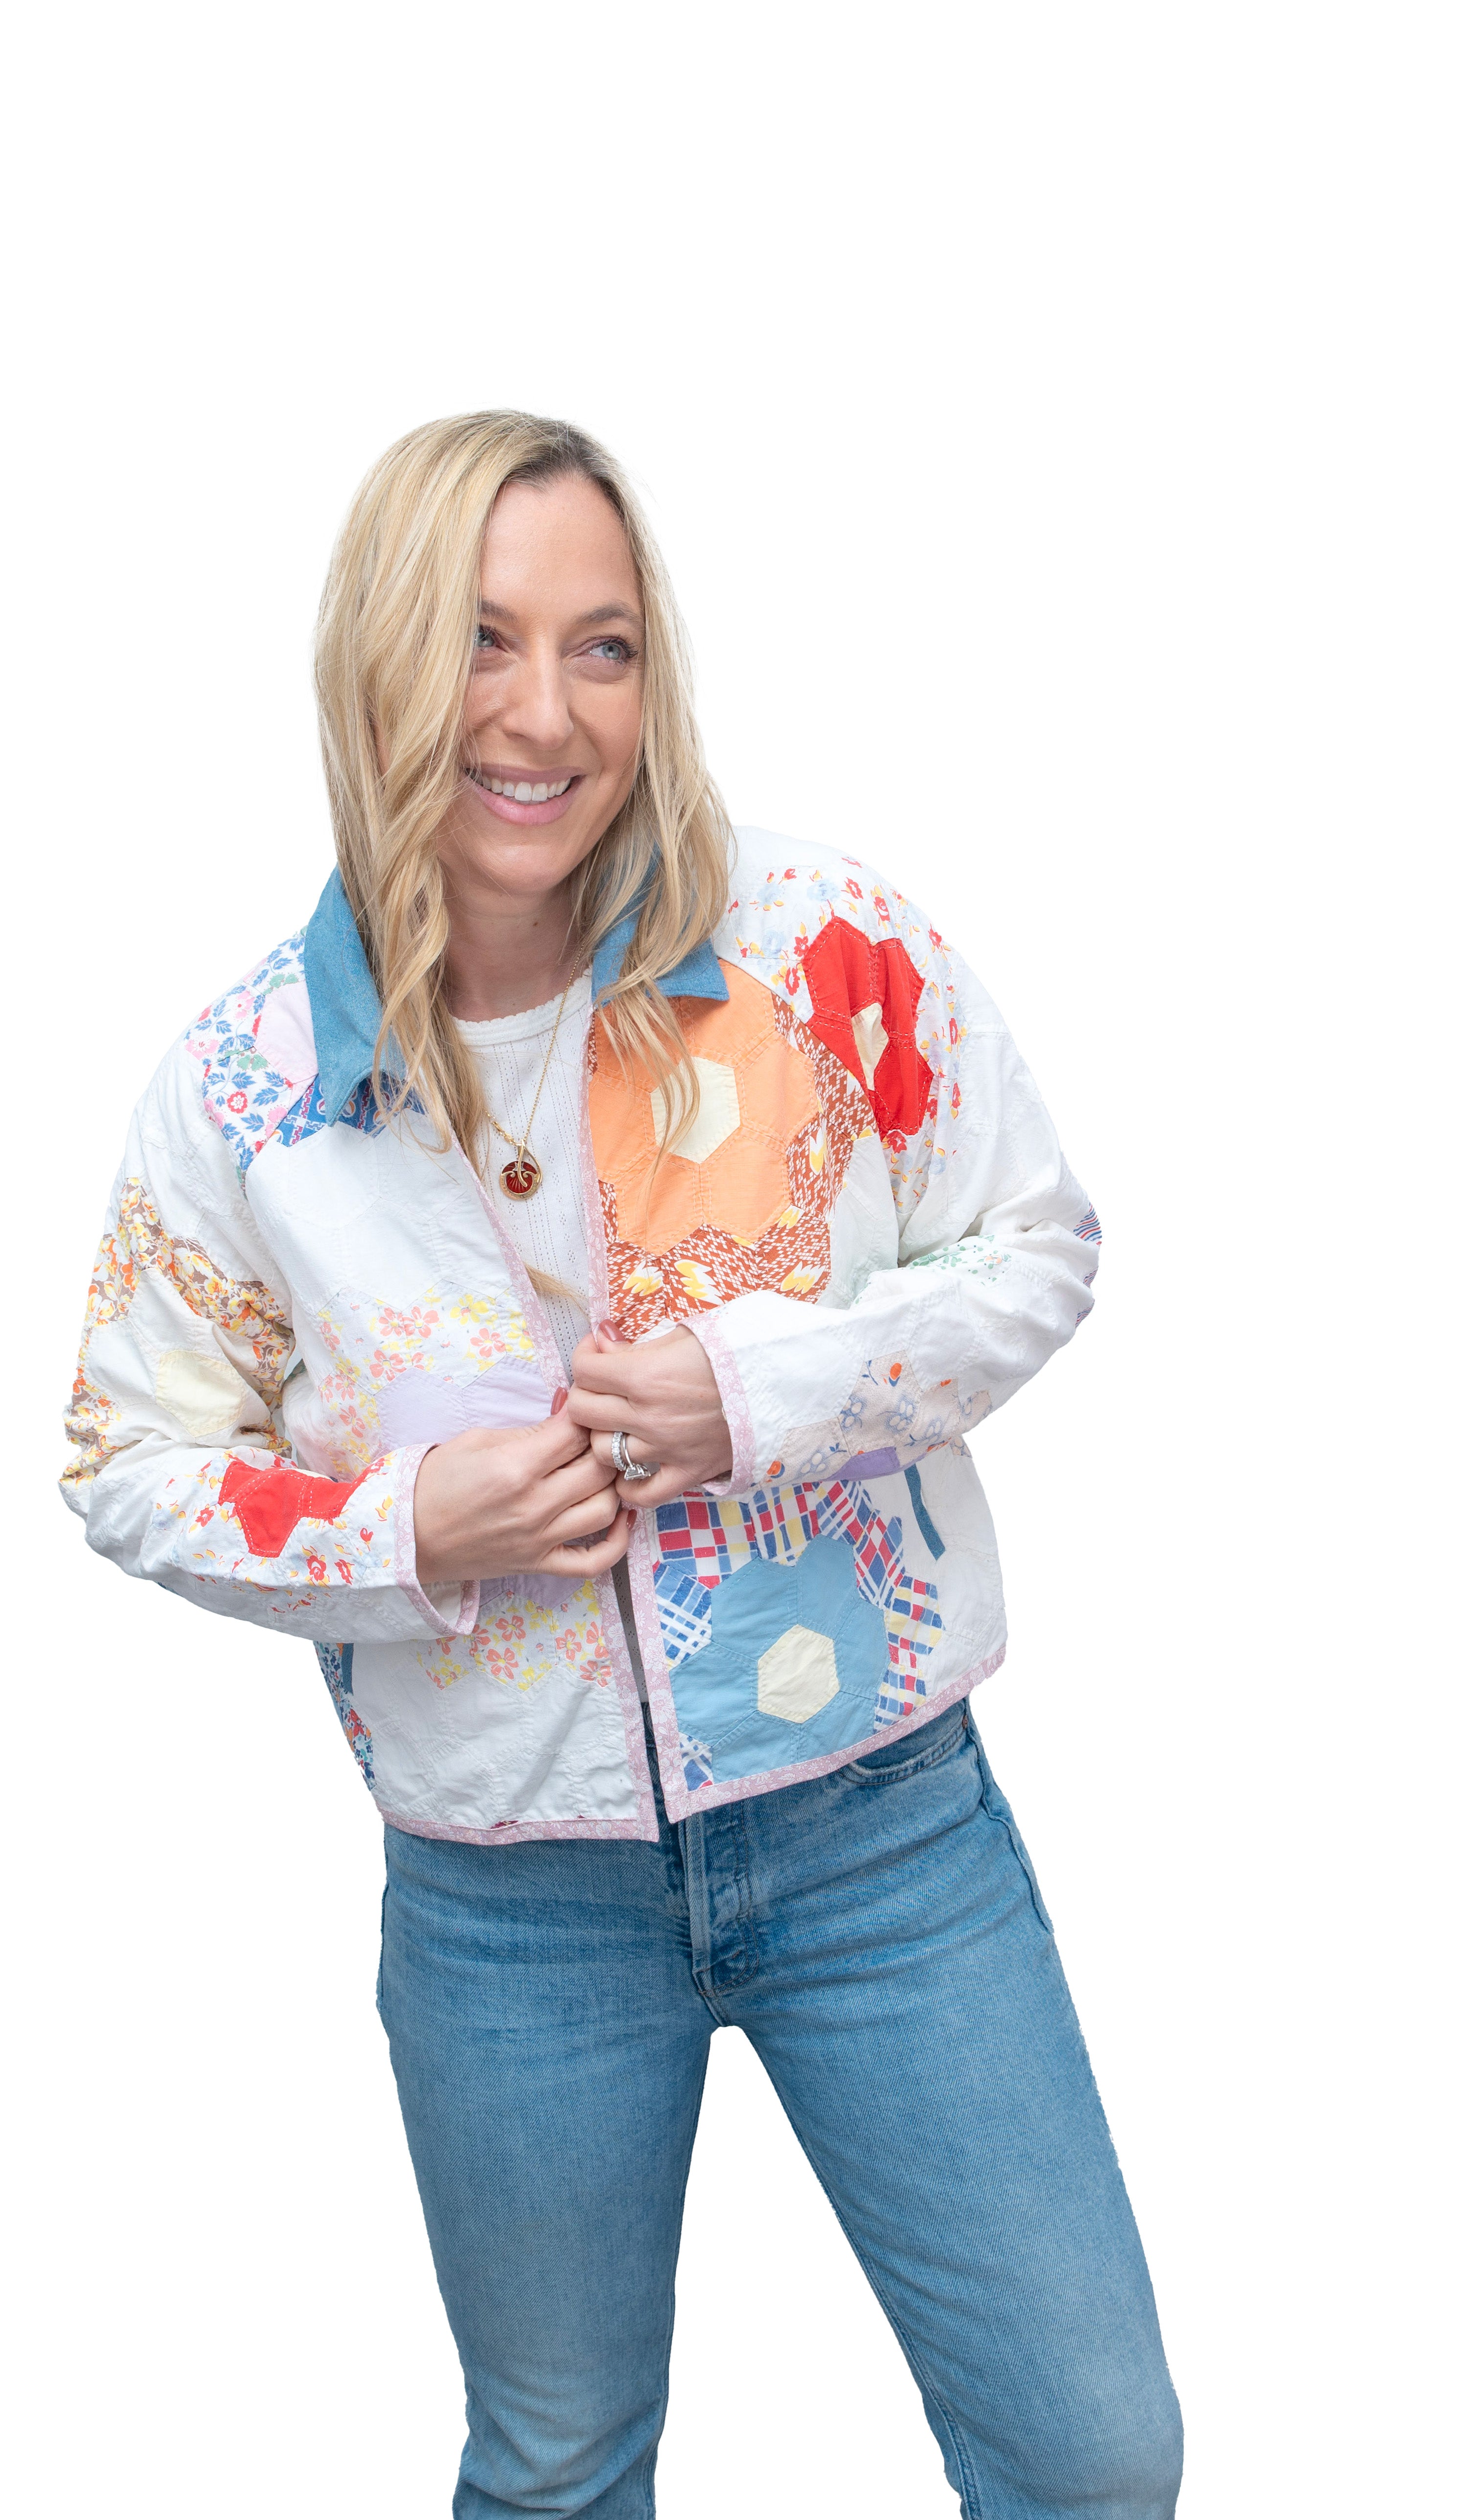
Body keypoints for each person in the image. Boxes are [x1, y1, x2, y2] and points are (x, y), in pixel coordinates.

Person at [62, 410, 1183, 2518]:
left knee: (1095, 2452)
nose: (545, 712)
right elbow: (127, 1455)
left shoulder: (820, 950)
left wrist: (764, 1391)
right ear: (379, 665)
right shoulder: (246, 1093)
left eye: (603, 646)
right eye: (481, 640)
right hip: (511, 1900)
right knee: (560, 2468)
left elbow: (1039, 1243)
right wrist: (410, 1529)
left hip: (883, 1837)